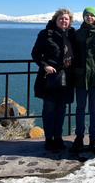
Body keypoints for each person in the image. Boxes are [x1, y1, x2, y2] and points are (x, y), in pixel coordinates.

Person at [31, 8, 76, 150]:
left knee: (61, 109)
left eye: (66, 19)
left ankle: (58, 138)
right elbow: (36, 53)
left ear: (70, 21)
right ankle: (48, 139)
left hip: (67, 78)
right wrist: (45, 66)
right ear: (55, 20)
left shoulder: (72, 35)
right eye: (61, 18)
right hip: (50, 77)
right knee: (49, 109)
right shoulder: (46, 34)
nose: (64, 21)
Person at [70, 6, 95, 154]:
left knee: (94, 110)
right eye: (87, 16)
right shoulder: (78, 34)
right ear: (83, 18)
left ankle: (93, 139)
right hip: (80, 78)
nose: (90, 18)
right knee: (79, 109)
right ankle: (79, 138)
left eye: (92, 15)